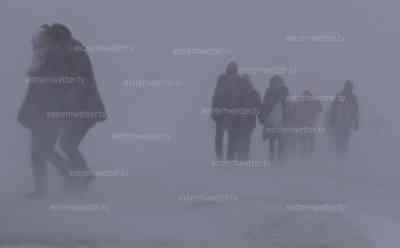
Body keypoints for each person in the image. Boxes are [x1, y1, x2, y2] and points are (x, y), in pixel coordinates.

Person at [49, 23, 107, 189]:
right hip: (81, 109)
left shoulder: (74, 52)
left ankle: (81, 178)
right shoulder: (69, 51)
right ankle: (78, 179)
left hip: (85, 109)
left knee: (67, 144)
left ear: (60, 40)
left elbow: (77, 82)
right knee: (67, 144)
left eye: (53, 42)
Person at [17, 25, 71, 198]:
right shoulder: (43, 57)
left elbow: (55, 86)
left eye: (40, 37)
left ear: (49, 39)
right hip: (40, 112)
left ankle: (69, 178)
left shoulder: (53, 57)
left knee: (43, 150)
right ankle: (43, 188)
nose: (36, 40)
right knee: (40, 151)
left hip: (49, 112)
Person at [211, 61, 242, 161]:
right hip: (227, 112)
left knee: (225, 138)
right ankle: (226, 159)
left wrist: (214, 109)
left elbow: (216, 95)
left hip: (226, 112)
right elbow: (216, 95)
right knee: (228, 138)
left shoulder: (224, 79)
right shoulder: (226, 79)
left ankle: (224, 159)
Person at [260, 75, 289, 164]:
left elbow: (287, 105)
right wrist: (263, 118)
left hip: (278, 121)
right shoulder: (270, 92)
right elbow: (264, 106)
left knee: (279, 143)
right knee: (274, 143)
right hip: (273, 121)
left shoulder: (283, 91)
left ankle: (278, 162)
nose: (276, 84)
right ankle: (274, 161)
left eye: (278, 82)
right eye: (275, 82)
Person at [328, 80, 359, 158]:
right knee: (341, 139)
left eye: (350, 87)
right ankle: (340, 154)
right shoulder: (345, 96)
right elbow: (334, 108)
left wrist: (356, 122)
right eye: (349, 87)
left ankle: (341, 154)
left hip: (345, 122)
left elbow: (355, 111)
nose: (349, 89)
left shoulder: (351, 98)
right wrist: (332, 119)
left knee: (343, 139)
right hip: (341, 121)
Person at [235, 74, 261, 161]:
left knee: (240, 141)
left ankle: (241, 159)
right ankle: (244, 160)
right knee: (245, 141)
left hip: (240, 122)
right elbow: (259, 108)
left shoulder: (237, 92)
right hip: (247, 122)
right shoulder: (254, 92)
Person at [291, 90, 322, 157]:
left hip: (302, 124)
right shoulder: (313, 101)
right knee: (309, 140)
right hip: (309, 124)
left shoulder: (299, 101)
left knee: (304, 140)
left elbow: (293, 111)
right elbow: (320, 109)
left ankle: (304, 154)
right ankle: (310, 154)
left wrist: (295, 120)